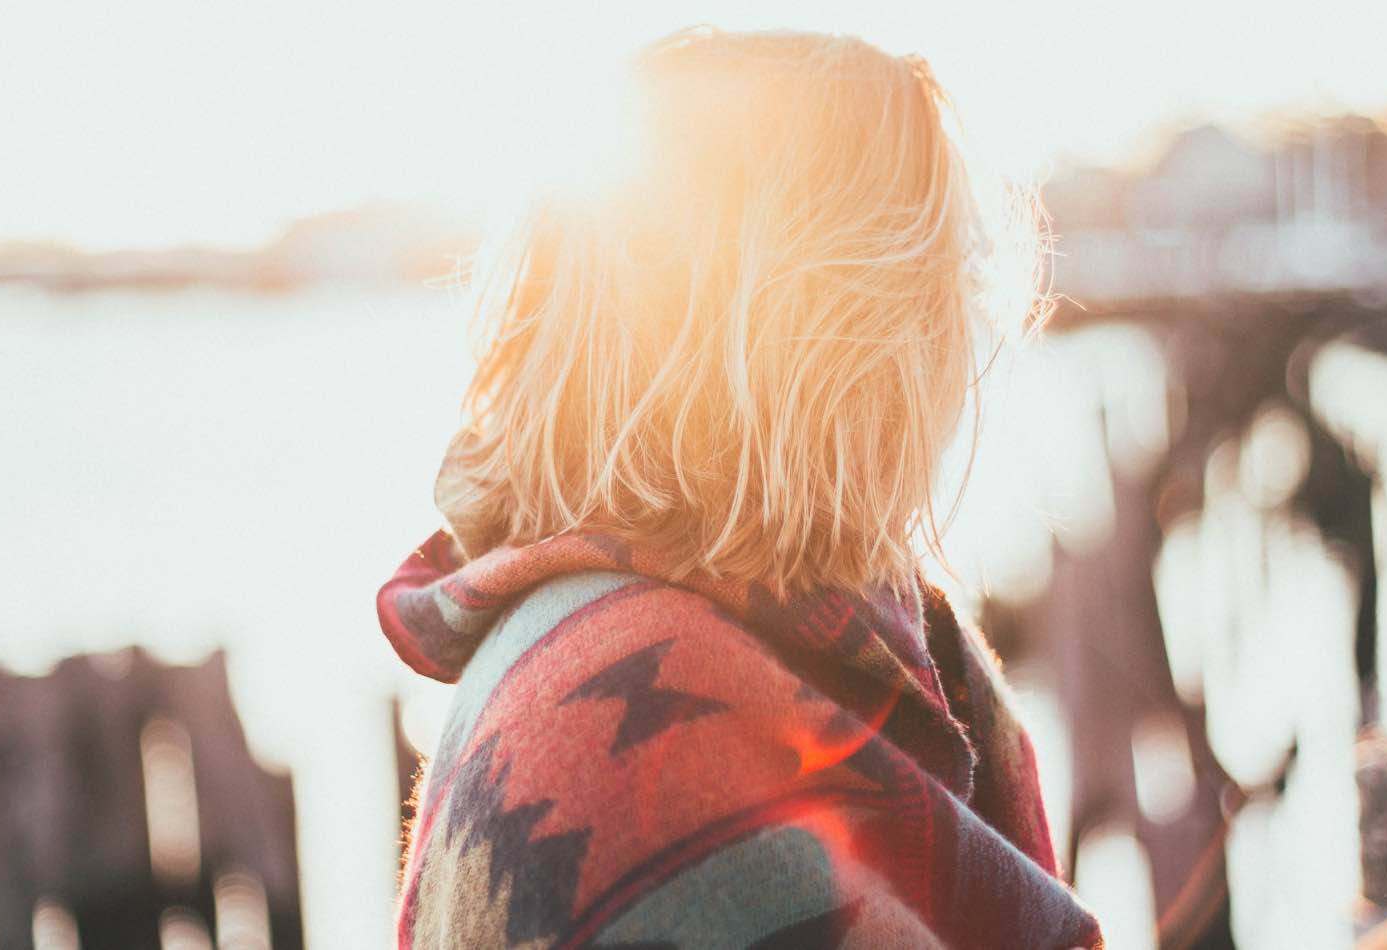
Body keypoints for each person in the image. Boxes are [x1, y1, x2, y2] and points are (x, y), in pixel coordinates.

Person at [377, 26, 1102, 949]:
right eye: (943, 278)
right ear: (841, 334)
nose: (968, 332)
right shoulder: (669, 737)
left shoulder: (585, 634)